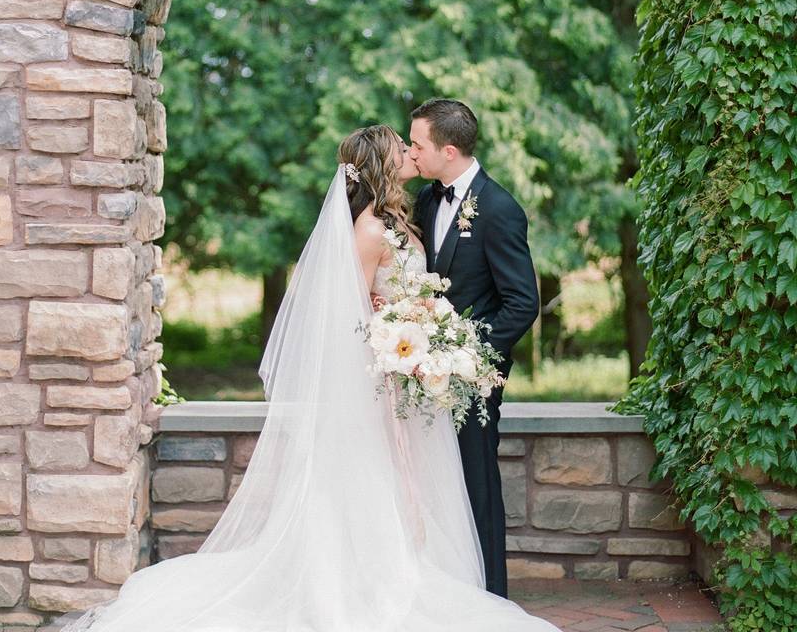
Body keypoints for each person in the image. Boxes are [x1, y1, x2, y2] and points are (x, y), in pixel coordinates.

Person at [55, 124, 558, 632]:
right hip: (387, 379)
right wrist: (399, 340)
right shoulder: (367, 229)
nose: (410, 152)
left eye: (415, 145)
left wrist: (425, 330)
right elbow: (351, 315)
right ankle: (370, 585)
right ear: (385, 165)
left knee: (422, 490)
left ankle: (436, 576)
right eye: (402, 148)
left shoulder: (410, 214)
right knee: (377, 488)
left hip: (416, 378)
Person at [410, 99, 540, 598]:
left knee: (476, 485)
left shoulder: (500, 209)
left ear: (448, 149)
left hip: (470, 379)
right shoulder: (426, 199)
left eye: (418, 144)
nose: (412, 152)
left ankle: (490, 599)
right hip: (419, 375)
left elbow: (521, 303)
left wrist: (465, 355)